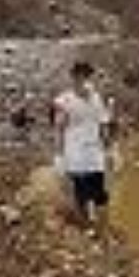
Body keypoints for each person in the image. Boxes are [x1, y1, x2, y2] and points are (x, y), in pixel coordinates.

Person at [52, 61, 114, 238]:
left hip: (94, 152)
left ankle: (103, 227)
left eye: (86, 76)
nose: (83, 80)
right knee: (82, 193)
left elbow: (103, 125)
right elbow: (59, 129)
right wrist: (59, 155)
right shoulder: (64, 101)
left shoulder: (96, 98)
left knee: (100, 192)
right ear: (73, 78)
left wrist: (109, 149)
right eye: (79, 76)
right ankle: (87, 227)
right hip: (75, 153)